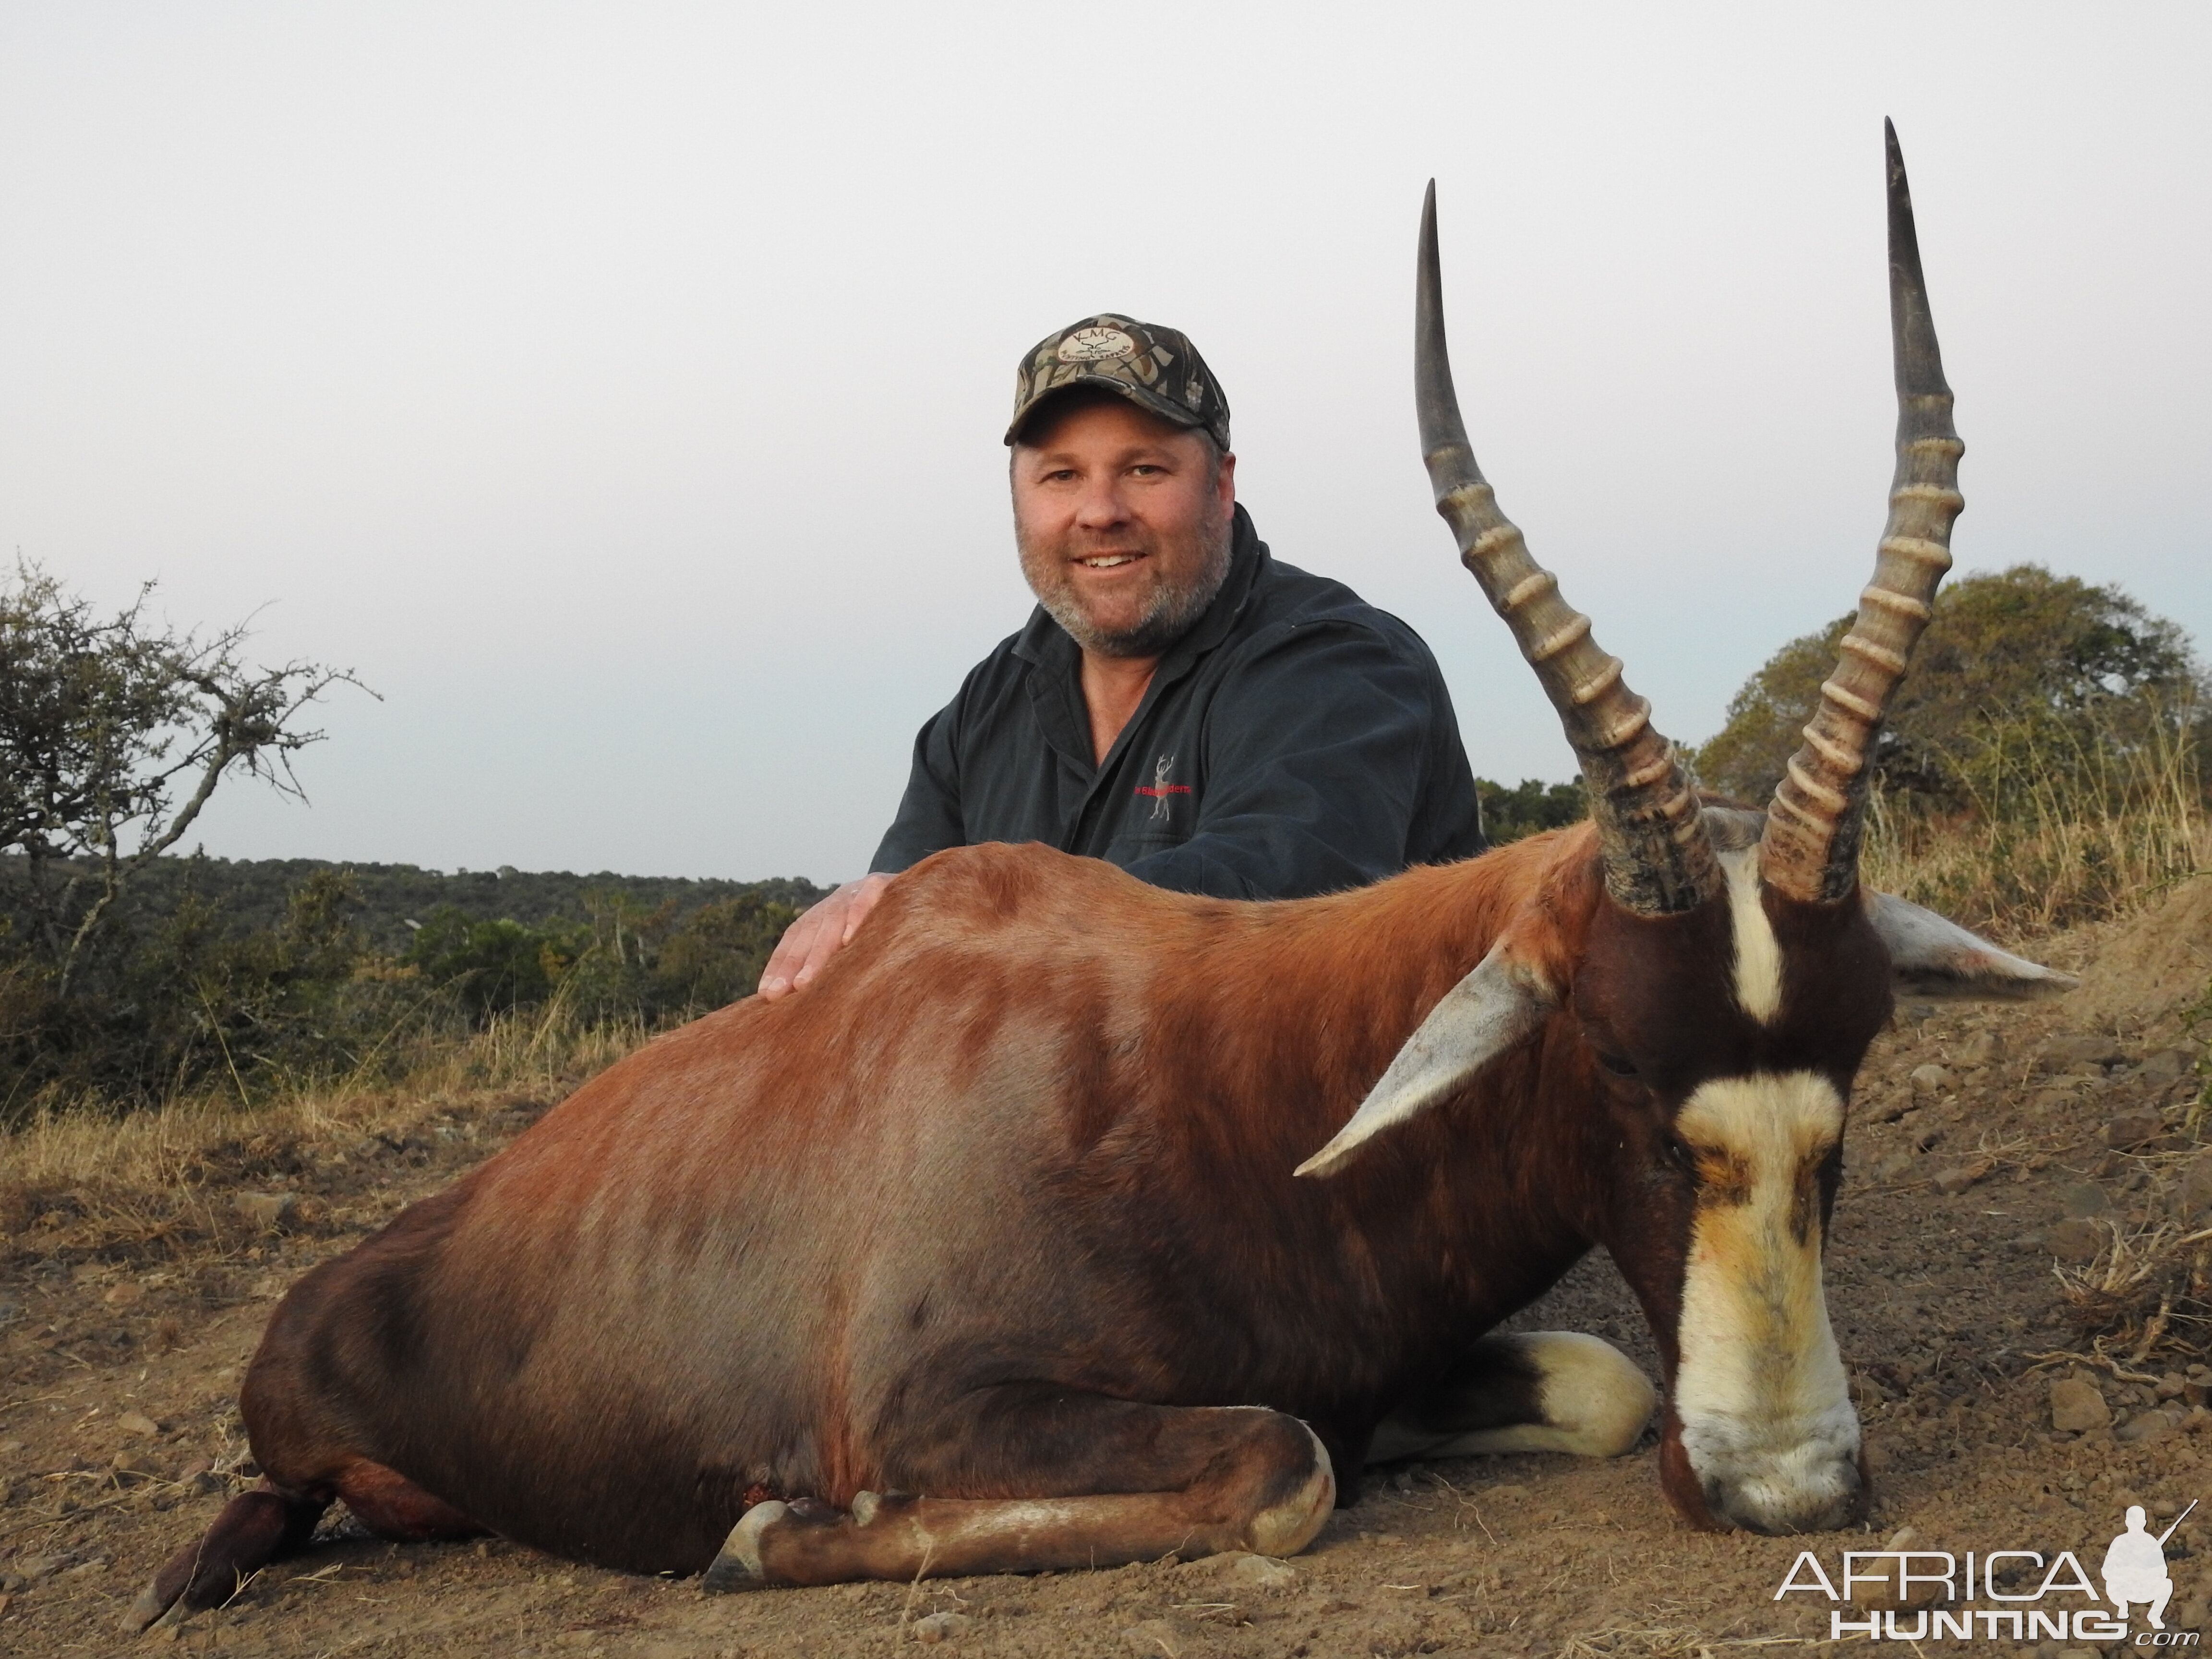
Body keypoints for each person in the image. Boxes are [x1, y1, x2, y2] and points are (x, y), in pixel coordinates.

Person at [758, 313, 1483, 1000]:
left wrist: (971, 906)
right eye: (1062, 476)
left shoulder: (1339, 664)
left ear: (1221, 486)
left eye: (1143, 470)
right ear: (1019, 499)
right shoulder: (987, 705)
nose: (1100, 511)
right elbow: (893, 922)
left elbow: (1271, 909)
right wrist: (864, 908)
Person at [2102, 1504, 2174, 1629]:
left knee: (2167, 1584)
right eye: (2133, 1521)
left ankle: (2155, 1616)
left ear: (2144, 1522)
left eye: (2139, 1521)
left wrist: (2147, 1571)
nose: (2136, 1524)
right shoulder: (2120, 1542)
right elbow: (2107, 1570)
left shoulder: (2151, 1542)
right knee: (2111, 1583)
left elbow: (2163, 1571)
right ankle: (2123, 1607)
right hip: (2124, 1588)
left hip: (2145, 1588)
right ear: (2127, 1522)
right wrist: (2126, 1571)